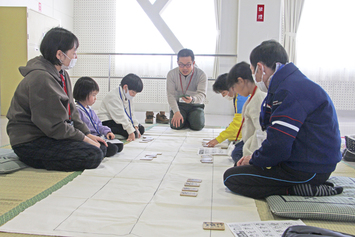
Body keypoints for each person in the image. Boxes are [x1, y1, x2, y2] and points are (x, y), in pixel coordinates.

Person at [223, 40, 343, 199]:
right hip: (313, 161)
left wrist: (255, 160)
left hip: (308, 168)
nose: (255, 77)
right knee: (241, 165)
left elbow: (279, 143)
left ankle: (298, 190)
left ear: (260, 68)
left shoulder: (288, 90)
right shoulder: (291, 83)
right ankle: (301, 185)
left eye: (254, 71)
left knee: (231, 177)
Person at [6, 27, 105, 171]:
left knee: (103, 148)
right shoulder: (41, 78)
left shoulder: (62, 74)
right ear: (60, 54)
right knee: (93, 155)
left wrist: (87, 134)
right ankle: (35, 160)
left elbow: (72, 110)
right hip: (30, 141)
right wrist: (84, 140)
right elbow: (54, 126)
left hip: (49, 134)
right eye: (73, 52)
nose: (75, 57)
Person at [225, 62, 266, 164]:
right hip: (248, 140)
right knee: (236, 151)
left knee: (237, 156)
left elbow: (261, 132)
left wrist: (250, 156)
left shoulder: (258, 98)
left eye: (234, 87)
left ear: (241, 81)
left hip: (254, 147)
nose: (235, 91)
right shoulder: (252, 96)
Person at [73, 77, 124, 157]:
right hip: (90, 138)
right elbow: (80, 130)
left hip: (99, 136)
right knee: (111, 149)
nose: (95, 98)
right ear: (83, 94)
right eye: (93, 95)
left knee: (119, 146)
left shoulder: (90, 109)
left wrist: (107, 132)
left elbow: (99, 124)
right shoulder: (77, 110)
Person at [167, 48, 208, 131]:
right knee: (175, 126)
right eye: (181, 65)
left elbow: (202, 94)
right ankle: (185, 118)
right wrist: (176, 112)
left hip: (195, 105)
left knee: (197, 126)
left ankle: (190, 119)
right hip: (180, 106)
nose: (184, 68)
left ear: (193, 63)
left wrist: (193, 99)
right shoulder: (171, 74)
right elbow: (170, 95)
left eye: (188, 64)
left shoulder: (201, 75)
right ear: (177, 63)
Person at [206, 73, 248, 148]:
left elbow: (238, 123)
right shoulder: (238, 96)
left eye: (224, 93)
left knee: (235, 151)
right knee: (229, 133)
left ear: (231, 87)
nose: (224, 96)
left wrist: (218, 140)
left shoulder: (241, 98)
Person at [98, 73, 145, 142]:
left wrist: (135, 126)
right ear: (125, 87)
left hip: (117, 120)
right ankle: (108, 133)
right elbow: (120, 116)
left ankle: (122, 133)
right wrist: (130, 131)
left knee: (141, 129)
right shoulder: (113, 96)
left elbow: (131, 114)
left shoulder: (127, 95)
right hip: (107, 121)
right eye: (133, 92)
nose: (134, 95)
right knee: (131, 132)